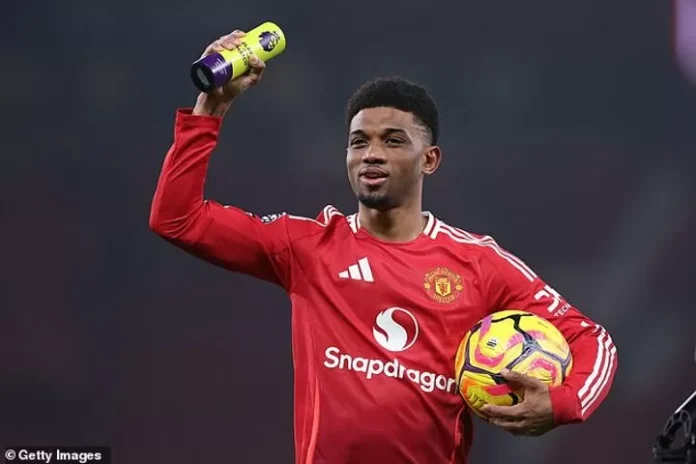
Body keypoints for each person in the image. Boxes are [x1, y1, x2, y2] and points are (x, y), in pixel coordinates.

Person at [149, 30, 618, 464]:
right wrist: (210, 109)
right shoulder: (308, 246)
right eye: (359, 142)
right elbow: (177, 219)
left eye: (393, 141)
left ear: (429, 159)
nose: (372, 153)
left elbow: (592, 339)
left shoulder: (478, 263)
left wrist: (562, 402)